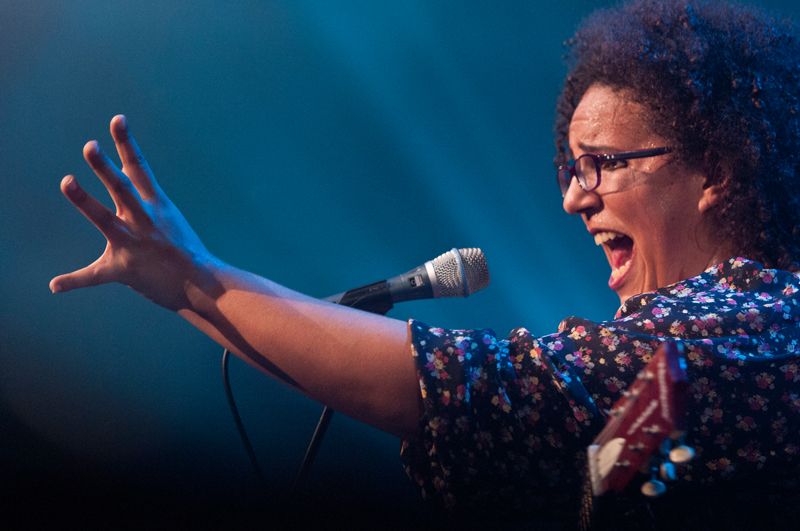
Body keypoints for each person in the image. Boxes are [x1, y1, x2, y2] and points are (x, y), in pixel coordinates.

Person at [51, 0, 800, 528]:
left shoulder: (749, 334)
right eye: (569, 169)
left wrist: (190, 276)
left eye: (603, 164)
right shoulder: (696, 357)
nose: (575, 199)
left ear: (716, 173)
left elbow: (484, 390)